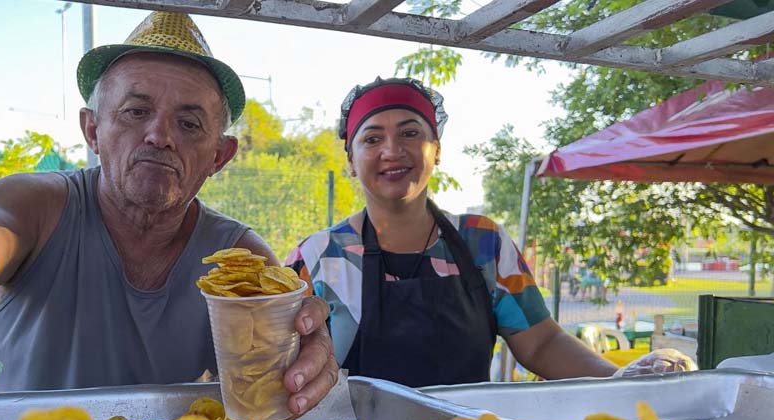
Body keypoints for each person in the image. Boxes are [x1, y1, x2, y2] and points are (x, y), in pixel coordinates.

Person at [0, 11, 337, 419]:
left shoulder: (242, 259)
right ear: (92, 130)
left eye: (189, 123)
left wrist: (303, 357)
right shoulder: (37, 205)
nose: (159, 136)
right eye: (134, 112)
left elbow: (277, 374)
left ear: (219, 156)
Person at [287, 77, 689, 387]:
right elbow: (281, 363)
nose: (392, 150)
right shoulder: (319, 257)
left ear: (436, 149)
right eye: (372, 138)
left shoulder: (483, 243)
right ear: (352, 162)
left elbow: (541, 343)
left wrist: (618, 382)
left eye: (411, 133)